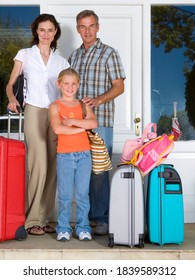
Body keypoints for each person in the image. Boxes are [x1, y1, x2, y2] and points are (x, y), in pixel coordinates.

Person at [6, 14, 69, 236]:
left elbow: (67, 90)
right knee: (37, 165)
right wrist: (13, 99)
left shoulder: (62, 62)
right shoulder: (25, 54)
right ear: (36, 31)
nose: (46, 34)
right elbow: (10, 84)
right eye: (42, 29)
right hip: (33, 110)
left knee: (52, 166)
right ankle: (32, 219)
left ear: (55, 33)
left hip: (56, 114)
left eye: (50, 30)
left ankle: (44, 219)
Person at [68, 10, 126, 236]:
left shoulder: (109, 53)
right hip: (77, 124)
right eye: (83, 26)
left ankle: (102, 219)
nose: (87, 30)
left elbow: (119, 86)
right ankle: (86, 219)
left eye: (91, 26)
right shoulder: (74, 56)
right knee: (81, 171)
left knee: (99, 171)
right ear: (77, 29)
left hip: (100, 122)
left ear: (98, 27)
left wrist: (99, 100)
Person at [49, 68, 98, 241]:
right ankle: (63, 228)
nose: (70, 87)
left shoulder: (83, 105)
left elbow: (93, 123)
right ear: (59, 84)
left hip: (84, 155)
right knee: (65, 195)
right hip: (65, 155)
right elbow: (57, 128)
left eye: (74, 84)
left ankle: (83, 227)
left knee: (82, 194)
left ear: (78, 85)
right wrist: (81, 128)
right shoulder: (55, 106)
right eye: (66, 83)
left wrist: (71, 122)